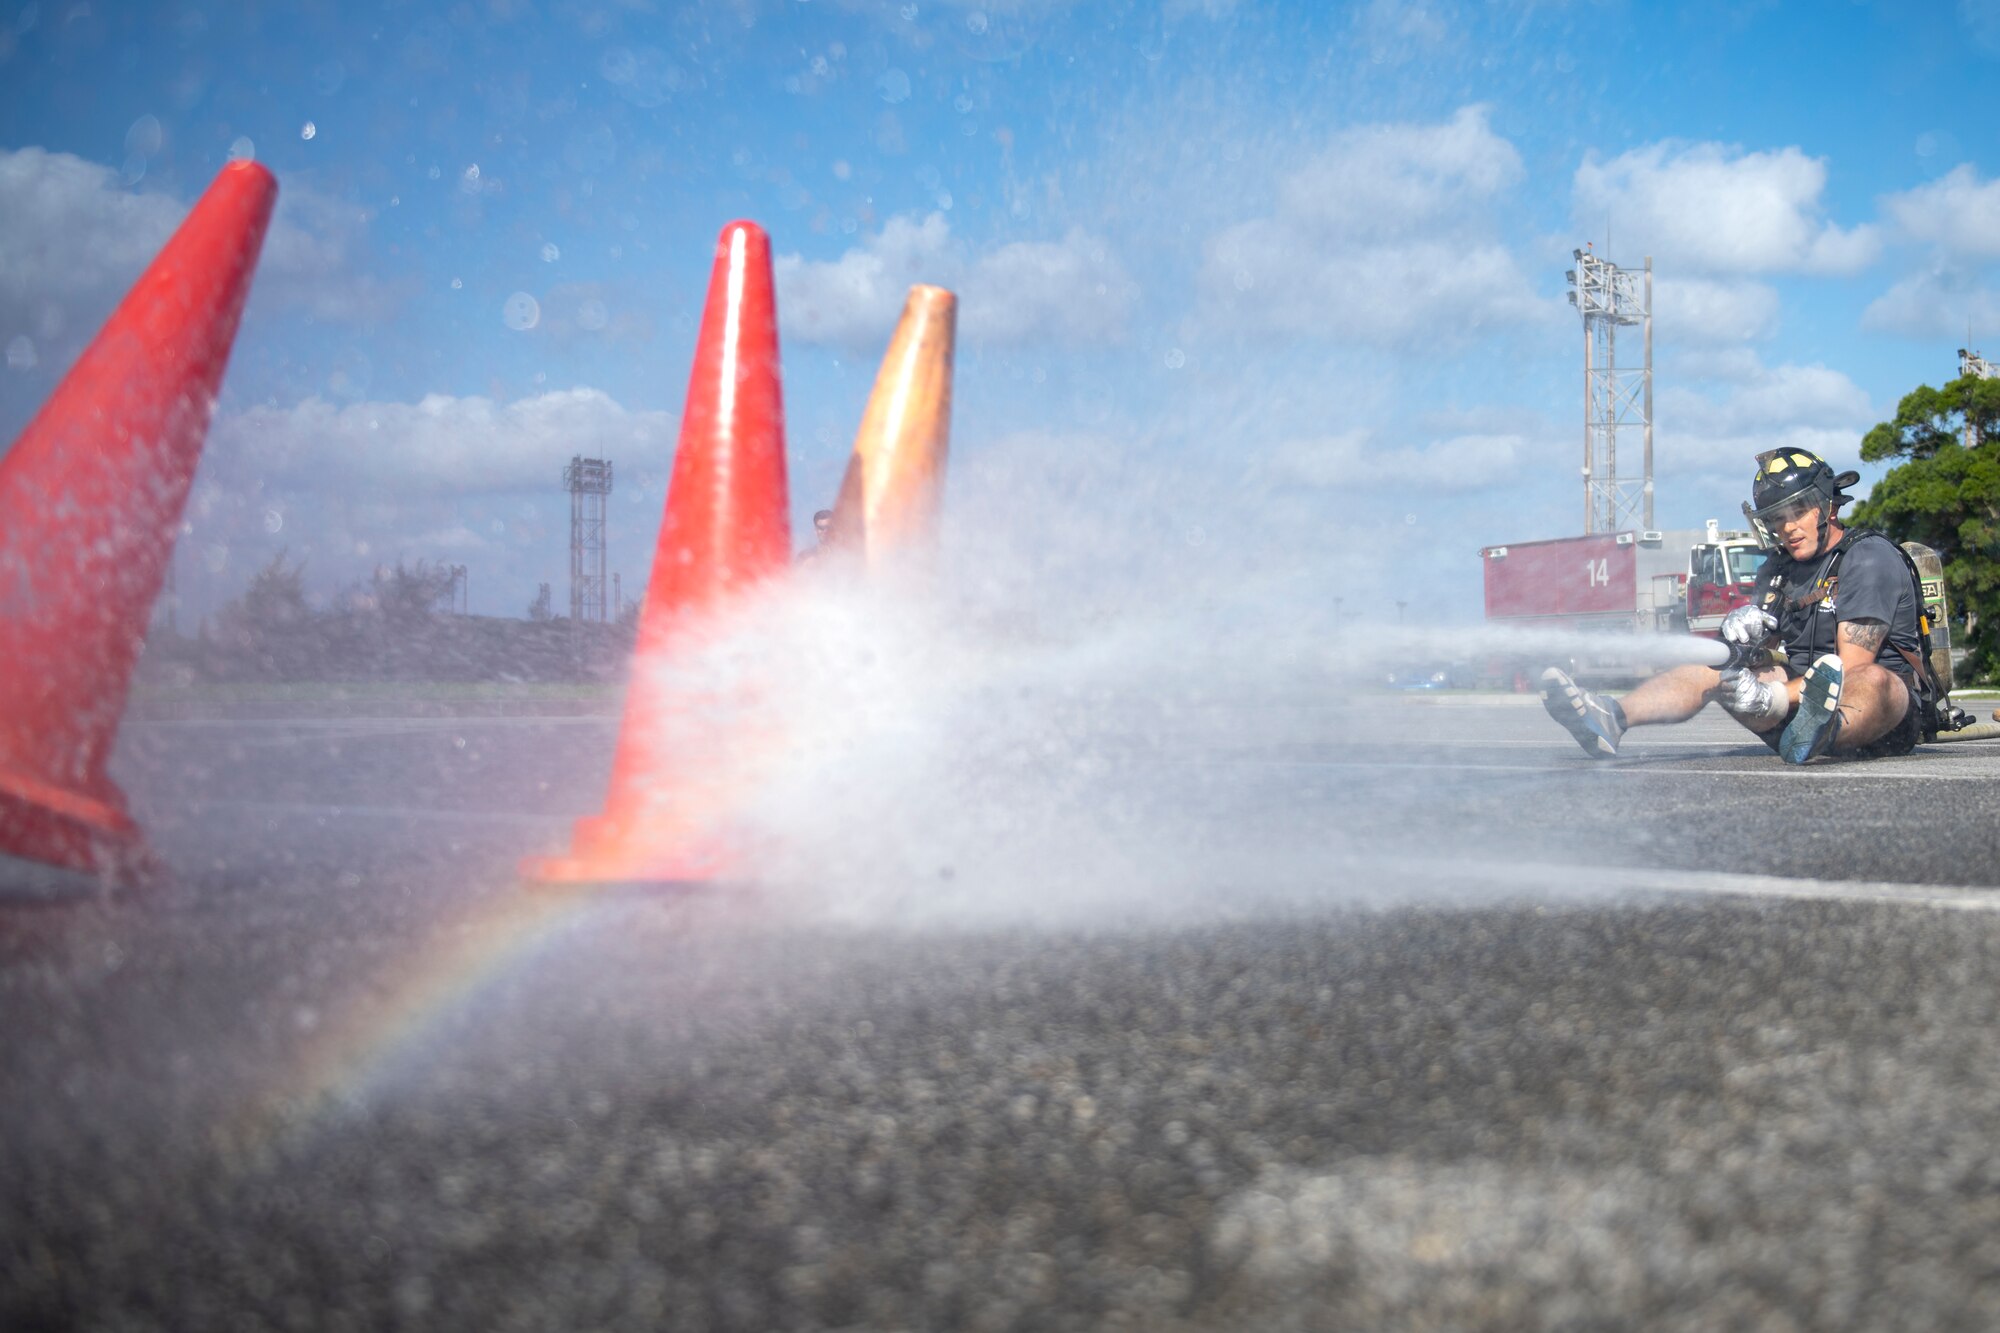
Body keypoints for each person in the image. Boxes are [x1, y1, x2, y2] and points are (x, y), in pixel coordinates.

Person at [1540, 448, 1925, 765]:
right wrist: (1741, 633)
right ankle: (1612, 717)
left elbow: (1852, 668)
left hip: (1878, 723)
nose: (1788, 527)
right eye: (1777, 518)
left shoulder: (1867, 558)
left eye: (1798, 511)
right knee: (1716, 662)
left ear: (1828, 508)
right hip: (1793, 724)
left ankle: (1823, 733)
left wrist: (1770, 698)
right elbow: (1762, 653)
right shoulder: (1778, 570)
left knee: (1874, 680)